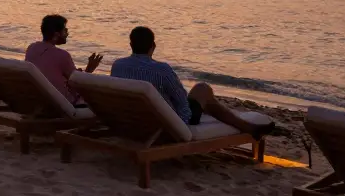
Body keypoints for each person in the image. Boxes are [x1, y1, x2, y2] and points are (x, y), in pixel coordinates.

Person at [111, 26, 274, 137]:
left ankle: (247, 127)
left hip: (132, 121)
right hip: (165, 124)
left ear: (131, 44)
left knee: (205, 102)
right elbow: (182, 102)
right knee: (202, 89)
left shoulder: (118, 66)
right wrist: (186, 123)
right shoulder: (161, 69)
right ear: (153, 46)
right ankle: (247, 128)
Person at [25, 15, 102, 105]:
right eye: (65, 30)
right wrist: (90, 69)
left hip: (37, 98)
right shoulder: (62, 55)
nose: (67, 33)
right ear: (57, 34)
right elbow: (77, 82)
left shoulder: (32, 48)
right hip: (58, 103)